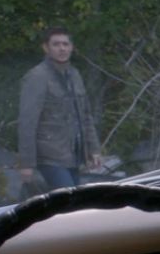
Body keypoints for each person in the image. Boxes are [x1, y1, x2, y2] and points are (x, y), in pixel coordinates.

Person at [18, 27, 101, 190]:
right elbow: (27, 122)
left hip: (73, 155)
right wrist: (26, 163)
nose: (62, 48)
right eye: (56, 44)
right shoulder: (37, 77)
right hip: (49, 156)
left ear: (71, 47)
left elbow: (85, 116)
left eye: (65, 44)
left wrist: (93, 149)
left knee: (74, 204)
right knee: (69, 204)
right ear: (46, 48)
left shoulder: (74, 75)